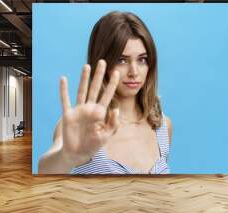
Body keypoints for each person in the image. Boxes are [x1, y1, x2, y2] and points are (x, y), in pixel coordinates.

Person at [38, 11, 172, 174]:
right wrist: (67, 157)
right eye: (121, 60)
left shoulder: (163, 125)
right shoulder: (82, 127)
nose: (134, 72)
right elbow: (46, 170)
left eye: (142, 59)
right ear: (102, 62)